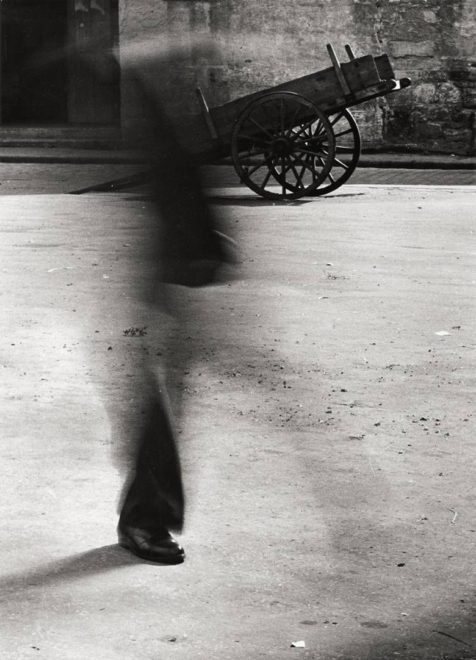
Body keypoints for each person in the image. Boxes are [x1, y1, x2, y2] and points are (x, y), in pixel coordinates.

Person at [114, 41, 236, 564]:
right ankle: (143, 519)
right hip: (155, 277)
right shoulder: (144, 104)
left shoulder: (158, 106)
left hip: (168, 273)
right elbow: (169, 185)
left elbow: (182, 182)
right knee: (154, 402)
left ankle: (146, 514)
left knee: (162, 398)